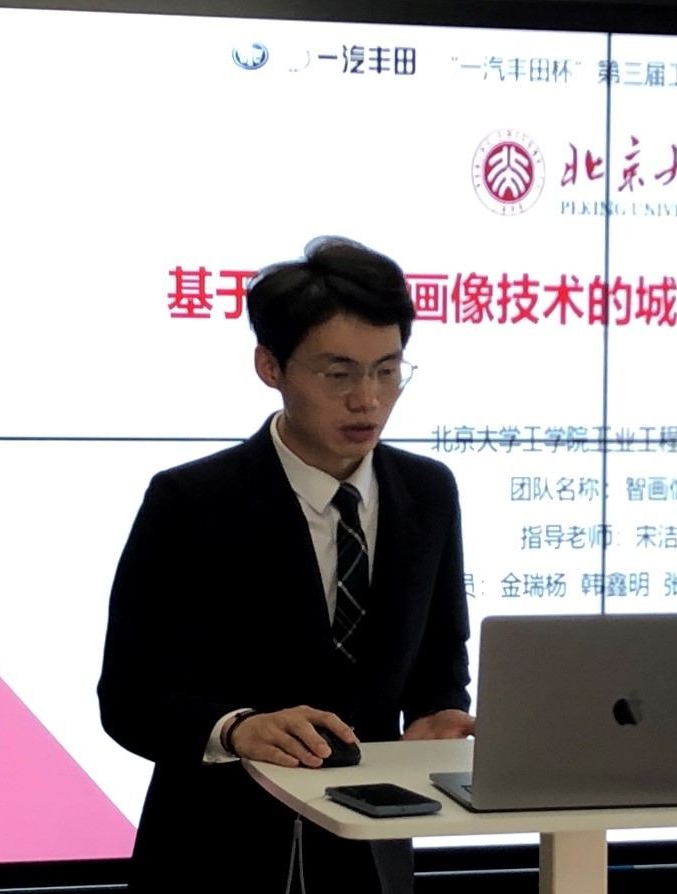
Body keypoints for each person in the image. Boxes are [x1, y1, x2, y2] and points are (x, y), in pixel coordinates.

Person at [97, 236, 474, 893]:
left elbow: (440, 666)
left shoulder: (428, 493)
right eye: (339, 374)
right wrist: (236, 729)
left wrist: (439, 719)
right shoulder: (192, 501)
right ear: (270, 366)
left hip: (371, 849)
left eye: (388, 371)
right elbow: (129, 698)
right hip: (217, 851)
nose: (368, 400)